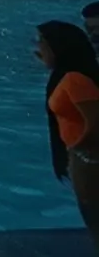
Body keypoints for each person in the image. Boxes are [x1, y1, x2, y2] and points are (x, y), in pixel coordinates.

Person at [37, 20, 99, 245]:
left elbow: (96, 120)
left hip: (89, 160)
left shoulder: (75, 79)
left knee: (94, 215)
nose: (38, 48)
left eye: (42, 42)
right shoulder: (64, 76)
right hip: (82, 158)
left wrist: (81, 151)